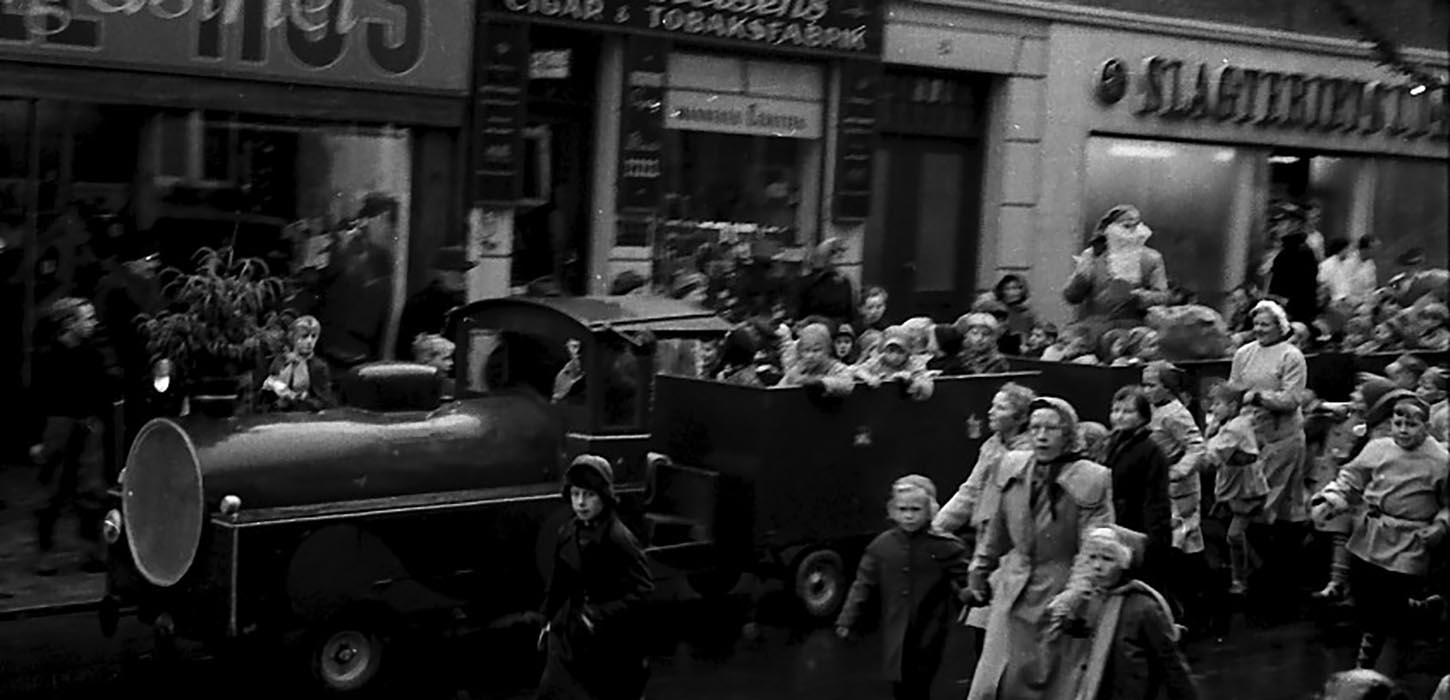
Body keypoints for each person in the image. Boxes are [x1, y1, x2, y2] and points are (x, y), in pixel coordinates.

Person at [964, 397, 1115, 700]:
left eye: (1051, 428)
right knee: (993, 685)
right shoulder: (1011, 466)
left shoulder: (1092, 478)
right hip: (1013, 587)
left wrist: (1075, 594)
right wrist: (979, 569)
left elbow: (1094, 546)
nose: (1042, 435)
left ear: (1068, 433)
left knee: (1052, 686)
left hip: (1060, 592)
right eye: (1035, 427)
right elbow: (995, 529)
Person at [1312, 394, 1448, 672]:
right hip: (1371, 535)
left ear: (1425, 426)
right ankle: (1405, 622)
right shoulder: (1378, 448)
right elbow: (1351, 478)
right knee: (1366, 597)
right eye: (1398, 423)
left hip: (1409, 540)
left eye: (1411, 424)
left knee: (1388, 604)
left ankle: (1372, 660)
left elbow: (1449, 503)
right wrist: (1332, 499)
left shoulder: (1440, 460)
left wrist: (1441, 525)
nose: (1402, 430)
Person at [836, 475, 972, 700]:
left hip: (930, 629)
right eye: (902, 509)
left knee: (920, 682)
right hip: (894, 628)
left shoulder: (946, 547)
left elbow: (965, 579)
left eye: (916, 509)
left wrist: (972, 594)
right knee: (899, 681)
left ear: (930, 509)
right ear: (892, 510)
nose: (909, 515)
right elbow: (863, 585)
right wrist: (848, 618)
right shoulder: (882, 546)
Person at [537, 455, 655, 700]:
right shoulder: (568, 531)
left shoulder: (618, 539)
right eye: (575, 494)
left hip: (611, 643)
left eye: (589, 495)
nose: (581, 503)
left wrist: (597, 615)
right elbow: (559, 582)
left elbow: (643, 591)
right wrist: (547, 621)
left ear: (604, 496)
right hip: (573, 636)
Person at [934, 382, 1037, 658]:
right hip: (986, 545)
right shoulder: (991, 446)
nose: (991, 411)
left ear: (1021, 417)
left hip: (1014, 549)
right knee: (983, 628)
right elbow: (970, 492)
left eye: (1001, 407)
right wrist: (935, 529)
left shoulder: (1031, 454)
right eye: (993, 404)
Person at [29, 296, 121, 575]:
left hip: (88, 422)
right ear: (69, 323)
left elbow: (105, 387)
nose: (93, 323)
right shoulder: (47, 356)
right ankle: (45, 551)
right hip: (59, 423)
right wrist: (36, 439)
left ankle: (91, 549)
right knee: (52, 491)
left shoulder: (93, 353)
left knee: (91, 489)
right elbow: (36, 399)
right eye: (87, 318)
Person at [1061, 526, 1198, 700]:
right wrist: (1071, 617)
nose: (1097, 566)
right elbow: (1089, 629)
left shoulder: (1144, 607)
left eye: (1107, 559)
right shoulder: (1097, 598)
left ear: (1123, 562)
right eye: (1092, 557)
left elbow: (1171, 662)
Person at [1063, 204, 1171, 342]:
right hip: (1094, 328)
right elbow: (1071, 297)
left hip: (1133, 330)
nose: (1132, 232)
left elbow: (1163, 297)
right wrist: (1082, 277)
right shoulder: (1093, 256)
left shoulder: (1151, 258)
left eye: (1136, 227)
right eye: (1126, 226)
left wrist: (1137, 296)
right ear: (1110, 229)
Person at [1103, 386, 1173, 588]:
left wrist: (1154, 541)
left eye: (1127, 411)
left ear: (1143, 416)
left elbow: (1156, 499)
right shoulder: (1112, 443)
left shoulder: (1151, 450)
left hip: (1137, 525)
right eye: (1116, 411)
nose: (1119, 417)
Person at [1203, 382, 1267, 596]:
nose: (1213, 408)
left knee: (1234, 535)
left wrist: (1204, 444)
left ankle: (1240, 578)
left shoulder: (1235, 427)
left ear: (1232, 406)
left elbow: (1213, 454)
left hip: (1246, 489)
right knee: (1227, 526)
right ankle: (1256, 566)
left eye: (1218, 404)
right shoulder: (1227, 424)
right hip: (1232, 487)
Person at [395, 244, 474, 360]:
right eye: (459, 271)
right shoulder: (420, 305)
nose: (464, 277)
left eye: (466, 272)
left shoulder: (468, 303)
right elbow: (405, 348)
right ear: (443, 273)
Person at [261, 315, 336, 412]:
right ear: (294, 337)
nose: (310, 341)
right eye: (304, 336)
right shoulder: (281, 361)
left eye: (313, 336)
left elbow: (325, 402)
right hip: (277, 416)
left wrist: (298, 397)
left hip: (304, 418)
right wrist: (272, 386)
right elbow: (263, 400)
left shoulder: (318, 366)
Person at [792, 237, 855, 328]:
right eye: (836, 254)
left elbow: (849, 314)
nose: (841, 259)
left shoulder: (845, 283)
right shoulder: (807, 283)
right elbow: (798, 314)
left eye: (841, 255)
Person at [780, 322, 855, 396]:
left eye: (816, 350)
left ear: (827, 350)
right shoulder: (798, 370)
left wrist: (819, 382)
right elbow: (778, 391)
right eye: (806, 350)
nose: (810, 355)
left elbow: (847, 384)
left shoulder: (836, 368)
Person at [993, 274, 1037, 357]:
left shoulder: (1028, 314)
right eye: (1007, 289)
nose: (1012, 293)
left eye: (1015, 288)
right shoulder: (995, 310)